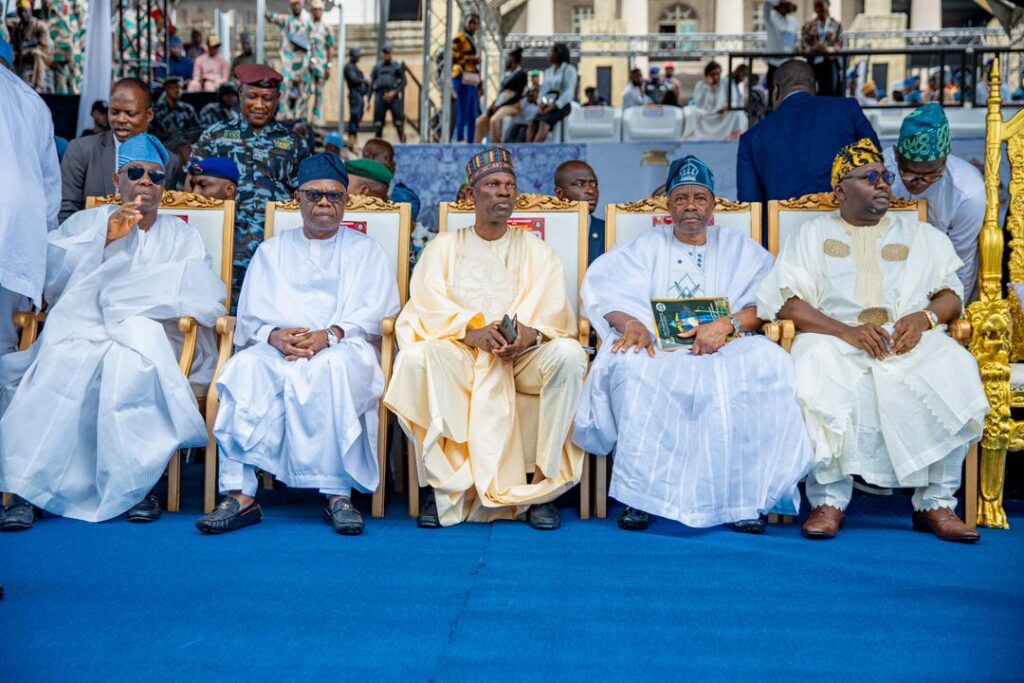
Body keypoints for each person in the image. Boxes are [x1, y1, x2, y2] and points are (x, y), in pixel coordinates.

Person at [756, 139, 989, 543]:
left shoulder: (921, 235)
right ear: (840, 191)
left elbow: (950, 292)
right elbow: (786, 303)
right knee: (812, 364)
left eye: (886, 176)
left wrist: (925, 318)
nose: (884, 184)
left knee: (956, 365)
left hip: (906, 340)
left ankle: (936, 503)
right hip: (834, 337)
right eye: (870, 177)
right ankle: (829, 500)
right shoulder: (811, 234)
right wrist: (844, 331)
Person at [574, 156, 813, 533]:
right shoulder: (646, 246)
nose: (690, 206)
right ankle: (641, 497)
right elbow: (604, 290)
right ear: (667, 205)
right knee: (629, 368)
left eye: (699, 198)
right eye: (681, 197)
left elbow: (771, 301)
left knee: (770, 365)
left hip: (728, 344)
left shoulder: (738, 246)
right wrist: (632, 322)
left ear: (713, 205)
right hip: (660, 347)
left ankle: (743, 500)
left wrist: (728, 324)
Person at [0, 134, 226, 529]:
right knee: (61, 366)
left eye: (155, 177)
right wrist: (103, 241)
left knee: (129, 366)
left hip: (151, 333)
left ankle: (137, 488)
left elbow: (199, 293)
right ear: (116, 179)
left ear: (164, 186)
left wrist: (127, 301)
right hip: (84, 327)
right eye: (135, 173)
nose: (145, 182)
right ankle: (29, 489)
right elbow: (52, 281)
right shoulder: (87, 223)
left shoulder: (181, 235)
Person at [384, 148, 588, 529]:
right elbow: (424, 307)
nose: (503, 193)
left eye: (509, 186)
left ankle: (544, 486)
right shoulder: (444, 247)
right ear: (471, 194)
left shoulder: (538, 251)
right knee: (414, 360)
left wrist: (531, 334)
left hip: (521, 361)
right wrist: (471, 332)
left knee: (570, 354)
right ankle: (439, 484)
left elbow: (554, 315)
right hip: (463, 356)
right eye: (492, 185)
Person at [196, 153, 399, 535]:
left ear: (346, 201)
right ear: (297, 199)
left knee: (331, 368)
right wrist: (274, 336)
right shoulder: (272, 250)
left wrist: (331, 335)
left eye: (334, 196)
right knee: (245, 368)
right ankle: (239, 495)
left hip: (344, 346)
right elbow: (252, 316)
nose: (324, 204)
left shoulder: (366, 251)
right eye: (314, 195)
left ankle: (338, 494)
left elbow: (380, 313)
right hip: (280, 350)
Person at [190, 64, 311, 308]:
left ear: (277, 98)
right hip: (228, 241)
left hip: (278, 242)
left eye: (267, 98)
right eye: (252, 97)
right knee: (224, 309)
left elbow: (306, 194)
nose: (259, 105)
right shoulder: (215, 136)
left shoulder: (293, 143)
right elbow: (192, 192)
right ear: (239, 94)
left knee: (275, 307)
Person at [737, 59, 879, 205]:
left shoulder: (751, 138)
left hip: (782, 226)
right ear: (816, 86)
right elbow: (876, 161)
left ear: (776, 91)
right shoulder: (847, 109)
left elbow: (750, 205)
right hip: (843, 221)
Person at [883, 103, 984, 303]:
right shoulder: (881, 173)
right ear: (896, 156)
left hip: (941, 280)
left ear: (945, 160)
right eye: (910, 173)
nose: (920, 183)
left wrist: (954, 315)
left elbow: (962, 262)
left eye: (932, 175)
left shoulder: (967, 192)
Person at [0, 51, 60, 356]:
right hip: (18, 238)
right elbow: (50, 193)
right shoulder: (31, 100)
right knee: (3, 343)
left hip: (16, 230)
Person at [59, 77, 182, 222]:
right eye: (115, 112)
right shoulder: (81, 150)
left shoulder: (169, 161)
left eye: (130, 114)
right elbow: (66, 214)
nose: (121, 119)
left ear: (149, 115)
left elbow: (168, 216)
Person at [267, 0, 313, 120]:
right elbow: (270, 15)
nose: (296, 6)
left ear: (302, 4)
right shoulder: (286, 20)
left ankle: (300, 116)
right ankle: (284, 113)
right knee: (284, 83)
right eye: (294, 4)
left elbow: (315, 44)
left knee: (305, 91)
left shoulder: (308, 23)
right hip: (289, 64)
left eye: (298, 4)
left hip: (303, 64)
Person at [554, 160, 604, 265]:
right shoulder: (549, 229)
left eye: (594, 184)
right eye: (580, 184)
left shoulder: (608, 229)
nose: (591, 191)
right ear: (559, 193)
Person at [684, 61, 747, 141]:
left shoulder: (725, 83)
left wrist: (726, 107)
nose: (716, 77)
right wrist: (707, 87)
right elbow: (698, 103)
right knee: (691, 111)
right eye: (713, 74)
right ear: (707, 75)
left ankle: (730, 136)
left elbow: (733, 101)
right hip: (705, 114)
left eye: (718, 74)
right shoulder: (701, 85)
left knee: (737, 113)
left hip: (721, 114)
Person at [475, 47, 526, 144]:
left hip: (512, 105)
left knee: (495, 120)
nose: (506, 61)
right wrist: (493, 106)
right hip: (500, 103)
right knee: (480, 121)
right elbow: (500, 93)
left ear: (513, 59)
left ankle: (496, 146)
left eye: (508, 58)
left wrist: (501, 105)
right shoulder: (507, 75)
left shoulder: (521, 74)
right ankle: (476, 146)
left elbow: (518, 95)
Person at [527, 43, 577, 143]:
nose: (549, 54)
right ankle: (526, 150)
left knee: (544, 123)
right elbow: (544, 90)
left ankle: (534, 150)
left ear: (559, 54)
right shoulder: (548, 71)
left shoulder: (569, 70)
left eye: (551, 52)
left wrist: (555, 105)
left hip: (562, 104)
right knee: (533, 123)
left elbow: (569, 92)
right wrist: (540, 105)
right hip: (548, 100)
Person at [362, 138, 421, 222]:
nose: (393, 163)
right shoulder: (351, 187)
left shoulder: (404, 196)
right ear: (371, 158)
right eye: (388, 158)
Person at [7, 0, 52, 93]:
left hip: (42, 55)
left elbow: (44, 46)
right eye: (20, 12)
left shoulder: (40, 26)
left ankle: (37, 85)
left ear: (30, 10)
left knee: (37, 53)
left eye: (25, 11)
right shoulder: (17, 27)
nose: (23, 14)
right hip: (21, 55)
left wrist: (27, 50)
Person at [801, 0, 843, 97]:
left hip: (829, 62)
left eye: (821, 5)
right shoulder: (808, 26)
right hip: (813, 62)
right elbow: (803, 45)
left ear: (828, 6)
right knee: (811, 90)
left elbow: (840, 45)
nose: (819, 8)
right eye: (816, 6)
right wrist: (814, 48)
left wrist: (828, 50)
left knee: (831, 91)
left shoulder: (836, 24)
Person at [451, 13, 481, 143]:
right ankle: (460, 139)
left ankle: (470, 141)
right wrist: (472, 59)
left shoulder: (473, 40)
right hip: (461, 78)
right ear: (465, 23)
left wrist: (481, 83)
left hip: (472, 79)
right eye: (471, 22)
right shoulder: (459, 38)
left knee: (472, 113)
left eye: (475, 23)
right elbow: (453, 58)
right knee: (463, 111)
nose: (473, 26)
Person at [764, 0, 799, 104]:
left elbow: (795, 40)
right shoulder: (771, 18)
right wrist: (780, 2)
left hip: (788, 62)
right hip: (774, 63)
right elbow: (767, 4)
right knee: (773, 95)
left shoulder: (793, 21)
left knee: (788, 93)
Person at [48, 0, 86, 94]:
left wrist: (82, 42)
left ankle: (76, 102)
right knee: (60, 77)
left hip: (72, 44)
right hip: (58, 44)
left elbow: (82, 21)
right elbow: (47, 20)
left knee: (75, 76)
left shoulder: (76, 2)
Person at [371, 44, 406, 142]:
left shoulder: (396, 66)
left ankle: (403, 144)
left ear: (391, 53)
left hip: (393, 97)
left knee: (399, 123)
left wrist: (394, 92)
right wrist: (369, 100)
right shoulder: (377, 66)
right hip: (380, 96)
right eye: (385, 53)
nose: (387, 55)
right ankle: (378, 146)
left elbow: (403, 82)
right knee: (378, 124)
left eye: (389, 53)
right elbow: (372, 82)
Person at [308, 0, 335, 124]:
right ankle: (302, 120)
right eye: (315, 10)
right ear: (312, 11)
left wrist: (329, 66)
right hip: (307, 67)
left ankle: (316, 121)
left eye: (319, 10)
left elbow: (330, 47)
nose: (317, 12)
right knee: (305, 94)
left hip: (321, 66)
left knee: (319, 95)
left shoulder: (326, 27)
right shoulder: (307, 25)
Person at [153, 76, 200, 141]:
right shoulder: (156, 110)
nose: (178, 90)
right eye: (174, 87)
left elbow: (196, 130)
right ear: (166, 89)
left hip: (185, 145)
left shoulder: (187, 109)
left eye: (180, 87)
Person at [343, 47, 368, 150]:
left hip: (359, 95)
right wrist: (364, 80)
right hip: (355, 94)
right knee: (355, 115)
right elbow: (353, 79)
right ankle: (352, 139)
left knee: (358, 116)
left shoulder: (354, 67)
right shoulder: (349, 67)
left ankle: (354, 137)